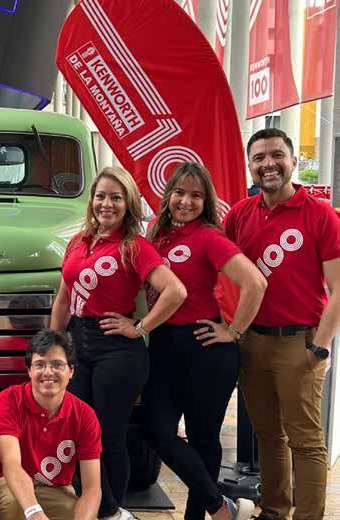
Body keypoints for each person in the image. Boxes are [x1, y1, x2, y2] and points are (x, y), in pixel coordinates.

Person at [50, 166, 187, 520]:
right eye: (100, 197)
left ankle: (110, 511)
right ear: (91, 201)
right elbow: (64, 297)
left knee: (108, 437)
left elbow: (175, 291)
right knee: (78, 432)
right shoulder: (79, 242)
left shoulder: (134, 247)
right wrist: (53, 346)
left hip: (117, 351)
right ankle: (103, 510)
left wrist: (139, 327)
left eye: (115, 197)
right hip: (78, 345)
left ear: (128, 204)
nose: (106, 204)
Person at [224, 128, 340, 520]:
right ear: (250, 166)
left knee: (306, 441)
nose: (268, 164)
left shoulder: (319, 214)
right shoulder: (240, 214)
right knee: (269, 436)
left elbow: (339, 287)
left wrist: (320, 345)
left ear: (293, 161)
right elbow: (216, 265)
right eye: (259, 157)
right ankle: (274, 512)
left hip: (299, 343)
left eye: (276, 155)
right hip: (252, 341)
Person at [142, 162, 267, 520]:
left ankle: (198, 515)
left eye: (196, 195)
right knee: (156, 430)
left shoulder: (209, 237)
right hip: (163, 345)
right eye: (180, 193)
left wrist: (233, 331)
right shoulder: (155, 234)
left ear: (206, 201)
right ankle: (221, 507)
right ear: (168, 195)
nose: (186, 201)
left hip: (205, 349)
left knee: (204, 438)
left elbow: (255, 283)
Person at [0, 329, 102, 520]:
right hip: (3, 481)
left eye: (57, 365)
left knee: (80, 513)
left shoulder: (85, 415)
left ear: (71, 371)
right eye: (40, 365)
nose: (48, 372)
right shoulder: (8, 400)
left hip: (54, 488)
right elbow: (11, 464)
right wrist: (33, 512)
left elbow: (92, 489)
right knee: (14, 505)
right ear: (29, 370)